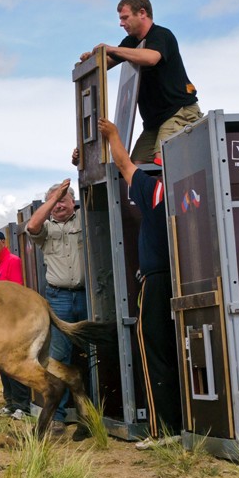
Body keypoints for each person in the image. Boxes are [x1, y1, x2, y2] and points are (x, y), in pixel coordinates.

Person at [99, 117, 182, 450]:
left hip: (158, 277)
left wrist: (112, 135)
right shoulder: (195, 188)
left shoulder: (155, 187)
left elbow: (123, 162)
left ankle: (164, 429)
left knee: (154, 352)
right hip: (188, 277)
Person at [81, 0, 201, 165]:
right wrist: (93, 60)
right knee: (136, 166)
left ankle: (171, 193)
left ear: (142, 13)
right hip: (154, 123)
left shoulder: (161, 35)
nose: (121, 23)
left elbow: (151, 58)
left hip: (178, 112)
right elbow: (106, 64)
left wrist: (112, 49)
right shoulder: (130, 42)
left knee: (164, 160)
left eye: (125, 18)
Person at [26, 180, 88, 436]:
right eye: (54, 200)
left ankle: (90, 417)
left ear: (73, 201)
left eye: (64, 199)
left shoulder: (85, 220)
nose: (60, 204)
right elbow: (31, 225)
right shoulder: (46, 229)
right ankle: (58, 418)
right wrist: (54, 198)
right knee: (58, 357)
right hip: (59, 298)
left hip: (89, 295)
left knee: (90, 355)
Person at [0, 230, 33, 422]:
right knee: (3, 364)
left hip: (11, 322)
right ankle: (10, 403)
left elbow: (15, 293)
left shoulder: (12, 261)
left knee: (15, 363)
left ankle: (22, 406)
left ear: (3, 242)